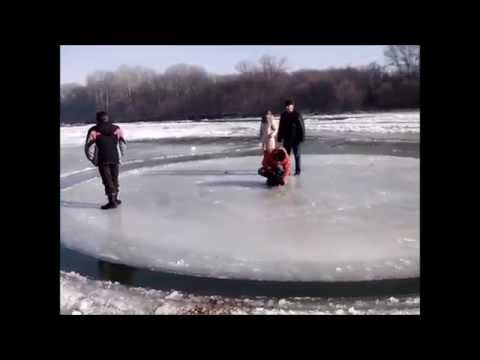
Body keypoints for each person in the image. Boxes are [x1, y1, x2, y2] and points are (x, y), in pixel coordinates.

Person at [84, 111, 127, 209]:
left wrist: (93, 159)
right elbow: (123, 144)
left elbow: (89, 148)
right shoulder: (117, 129)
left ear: (98, 119)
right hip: (115, 157)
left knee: (107, 180)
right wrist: (120, 156)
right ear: (107, 118)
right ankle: (115, 199)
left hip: (102, 159)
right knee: (114, 178)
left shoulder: (94, 130)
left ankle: (112, 202)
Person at [277, 99, 305, 175]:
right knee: (286, 156)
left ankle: (297, 171)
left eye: (289, 106)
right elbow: (281, 127)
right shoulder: (283, 115)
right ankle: (287, 170)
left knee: (297, 155)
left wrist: (302, 138)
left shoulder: (297, 114)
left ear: (292, 106)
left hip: (296, 139)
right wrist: (279, 138)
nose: (287, 107)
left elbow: (301, 127)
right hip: (286, 139)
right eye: (286, 106)